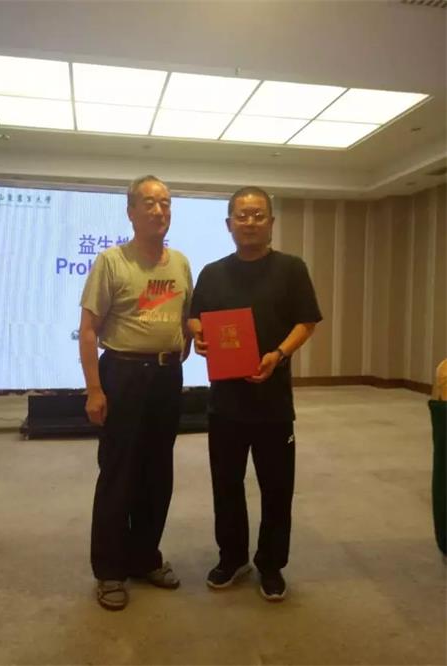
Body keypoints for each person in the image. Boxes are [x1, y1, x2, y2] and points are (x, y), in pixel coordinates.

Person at [188, 186, 322, 602]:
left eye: (258, 215)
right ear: (228, 224)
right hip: (225, 403)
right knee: (226, 485)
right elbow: (195, 317)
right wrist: (200, 337)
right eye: (242, 216)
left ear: (271, 223)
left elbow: (307, 321)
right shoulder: (212, 272)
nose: (250, 223)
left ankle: (271, 565)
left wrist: (278, 354)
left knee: (277, 488)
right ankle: (232, 558)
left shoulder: (291, 269)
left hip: (274, 403)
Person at [79, 175, 193, 610]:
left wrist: (189, 339)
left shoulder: (180, 263)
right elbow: (88, 331)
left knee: (157, 473)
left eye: (165, 203)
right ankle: (110, 571)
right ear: (131, 212)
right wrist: (94, 389)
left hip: (166, 378)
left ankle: (145, 557)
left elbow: (186, 319)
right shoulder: (111, 261)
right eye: (149, 203)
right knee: (118, 474)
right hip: (123, 375)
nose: (159, 211)